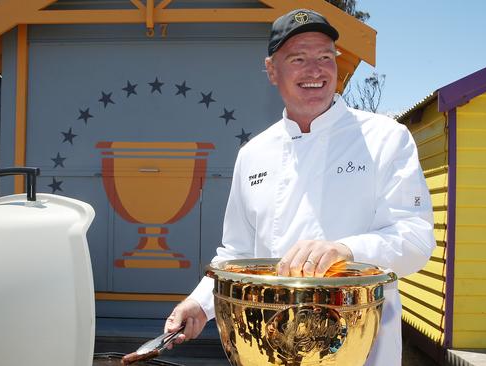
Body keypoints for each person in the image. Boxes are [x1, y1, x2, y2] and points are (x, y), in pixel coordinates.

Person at [163, 9, 435, 366]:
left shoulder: (385, 138)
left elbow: (416, 239)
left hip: (362, 351)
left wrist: (346, 250)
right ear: (272, 70)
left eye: (325, 56)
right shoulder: (254, 153)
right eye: (299, 58)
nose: (316, 70)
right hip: (268, 347)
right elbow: (238, 253)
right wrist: (199, 304)